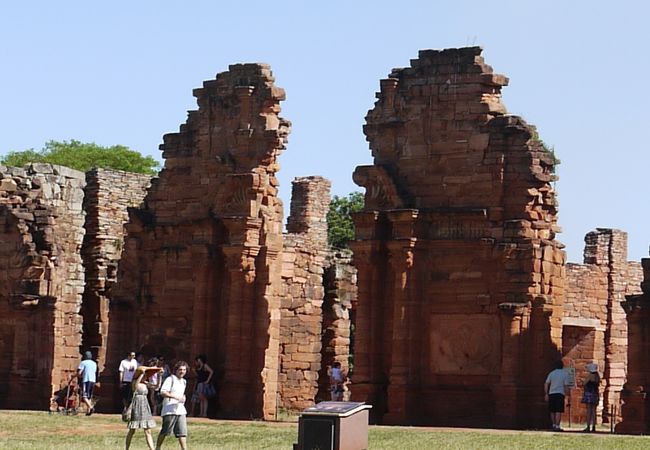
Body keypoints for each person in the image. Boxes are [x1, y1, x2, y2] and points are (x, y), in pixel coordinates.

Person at [125, 365, 163, 450]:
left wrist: (160, 376)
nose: (146, 376)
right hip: (136, 405)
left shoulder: (145, 383)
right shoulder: (135, 382)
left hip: (144, 406)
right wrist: (141, 374)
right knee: (132, 430)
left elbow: (157, 386)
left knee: (147, 430)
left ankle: (152, 448)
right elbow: (135, 387)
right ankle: (127, 448)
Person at [156, 361, 189, 450]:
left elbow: (181, 394)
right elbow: (163, 392)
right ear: (176, 370)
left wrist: (182, 397)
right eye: (180, 369)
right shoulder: (170, 379)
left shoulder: (184, 381)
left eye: (184, 370)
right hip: (169, 409)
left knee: (182, 432)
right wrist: (175, 397)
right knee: (165, 431)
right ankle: (158, 447)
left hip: (180, 409)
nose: (182, 371)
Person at [544, 360, 571, 431]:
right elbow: (566, 386)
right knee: (558, 410)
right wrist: (567, 395)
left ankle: (553, 424)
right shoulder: (565, 374)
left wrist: (546, 393)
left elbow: (546, 383)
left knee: (552, 410)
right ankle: (557, 426)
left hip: (552, 393)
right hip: (560, 393)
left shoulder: (552, 373)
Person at [77, 350, 98, 416]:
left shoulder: (83, 362)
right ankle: (88, 411)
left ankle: (91, 407)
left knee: (84, 396)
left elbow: (79, 372)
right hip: (93, 380)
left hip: (86, 380)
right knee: (89, 396)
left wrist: (78, 376)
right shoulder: (94, 363)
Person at [582, 362, 601, 432]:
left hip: (589, 393)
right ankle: (593, 426)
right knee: (594, 411)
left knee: (589, 411)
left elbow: (584, 383)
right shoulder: (597, 376)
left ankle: (588, 426)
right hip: (595, 393)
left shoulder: (590, 376)